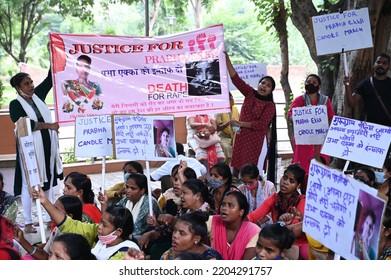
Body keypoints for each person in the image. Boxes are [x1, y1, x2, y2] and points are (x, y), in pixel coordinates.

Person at [9, 70, 63, 234]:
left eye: (31, 82)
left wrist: (52, 50)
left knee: (47, 181)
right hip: (29, 148)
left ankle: (48, 219)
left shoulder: (37, 94)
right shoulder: (15, 104)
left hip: (47, 144)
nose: (31, 86)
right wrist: (49, 126)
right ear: (18, 88)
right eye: (27, 83)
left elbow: (50, 78)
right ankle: (28, 223)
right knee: (29, 184)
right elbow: (26, 124)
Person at [32, 187, 140, 260]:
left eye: (105, 225)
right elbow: (71, 225)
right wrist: (45, 202)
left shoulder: (127, 252)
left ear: (119, 232)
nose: (99, 227)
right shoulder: (98, 234)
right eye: (100, 222)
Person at [225, 52, 277, 181]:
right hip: (242, 137)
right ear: (258, 84)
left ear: (271, 91)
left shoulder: (270, 105)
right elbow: (235, 79)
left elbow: (261, 125)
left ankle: (255, 196)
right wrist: (227, 60)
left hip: (256, 141)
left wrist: (240, 123)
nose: (264, 86)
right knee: (237, 169)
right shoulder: (249, 93)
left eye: (268, 86)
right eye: (262, 83)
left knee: (253, 172)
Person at [246, 163, 308, 260]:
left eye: (291, 181)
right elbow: (253, 217)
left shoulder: (302, 201)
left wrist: (280, 224)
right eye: (285, 177)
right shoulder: (274, 198)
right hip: (276, 240)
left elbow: (293, 231)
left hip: (295, 243)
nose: (285, 182)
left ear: (298, 185)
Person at [287, 74, 335, 179]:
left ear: (319, 85)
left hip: (320, 140)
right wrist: (299, 118)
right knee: (302, 166)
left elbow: (331, 117)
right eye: (308, 82)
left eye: (314, 82)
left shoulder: (325, 101)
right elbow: (290, 115)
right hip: (304, 140)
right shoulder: (299, 100)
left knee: (320, 164)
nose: (311, 84)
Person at [13, 195, 83, 260]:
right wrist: (21, 240)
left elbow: (45, 257)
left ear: (69, 216)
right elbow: (45, 254)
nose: (51, 212)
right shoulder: (57, 229)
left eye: (56, 209)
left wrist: (23, 241)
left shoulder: (74, 238)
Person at [207, 190, 260, 260]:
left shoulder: (253, 232)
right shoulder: (211, 221)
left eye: (230, 205)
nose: (224, 208)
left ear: (241, 212)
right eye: (223, 204)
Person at [345, 53, 391, 127]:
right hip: (370, 128)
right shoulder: (365, 84)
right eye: (378, 62)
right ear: (374, 64)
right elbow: (352, 103)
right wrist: (347, 85)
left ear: (388, 66)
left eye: (384, 63)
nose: (381, 65)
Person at [238, 163, 276, 228]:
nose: (247, 185)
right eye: (244, 183)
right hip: (247, 223)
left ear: (257, 177)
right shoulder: (241, 189)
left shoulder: (269, 187)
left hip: (267, 224)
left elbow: (273, 209)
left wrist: (259, 223)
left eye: (250, 182)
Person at [214, 92, 240, 166]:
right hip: (223, 137)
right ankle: (226, 167)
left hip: (234, 136)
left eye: (232, 99)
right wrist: (229, 123)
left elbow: (237, 124)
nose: (232, 101)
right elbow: (218, 128)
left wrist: (238, 132)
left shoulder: (235, 109)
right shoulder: (219, 110)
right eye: (230, 99)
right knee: (226, 147)